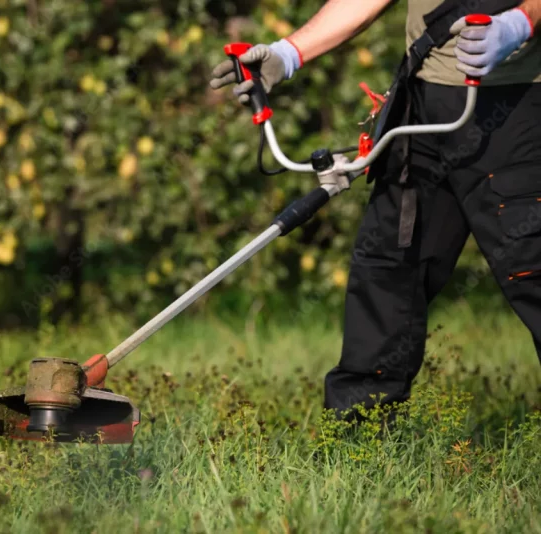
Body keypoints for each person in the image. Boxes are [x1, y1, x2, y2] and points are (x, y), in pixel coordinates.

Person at [210, 0, 541, 421]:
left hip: (517, 103)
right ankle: (359, 436)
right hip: (422, 105)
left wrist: (520, 22)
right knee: (388, 271)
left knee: (531, 270)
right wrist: (288, 53)